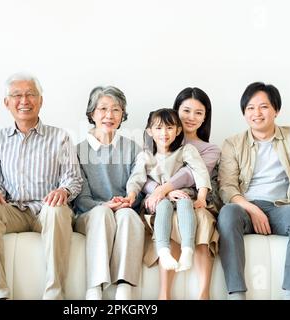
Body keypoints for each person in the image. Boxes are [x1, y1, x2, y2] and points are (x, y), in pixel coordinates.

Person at [217, 81, 290, 300]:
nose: (256, 113)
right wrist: (251, 209)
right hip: (245, 208)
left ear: (276, 110)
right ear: (244, 113)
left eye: (263, 107)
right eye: (250, 108)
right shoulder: (233, 143)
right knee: (227, 212)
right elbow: (227, 186)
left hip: (280, 209)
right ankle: (236, 295)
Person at [0, 73, 82, 300]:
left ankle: (54, 295)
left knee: (57, 209)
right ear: (7, 103)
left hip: (47, 211)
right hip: (13, 210)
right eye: (17, 95)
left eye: (31, 94)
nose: (25, 100)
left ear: (40, 100)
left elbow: (73, 178)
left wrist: (63, 190)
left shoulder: (60, 137)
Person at [141, 88, 221, 300]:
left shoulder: (210, 149)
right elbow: (144, 177)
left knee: (201, 219)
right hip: (163, 201)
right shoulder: (160, 139)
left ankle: (204, 294)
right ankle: (164, 294)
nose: (191, 117)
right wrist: (159, 194)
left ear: (205, 117)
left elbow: (191, 174)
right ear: (176, 111)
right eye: (186, 110)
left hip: (195, 201)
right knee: (170, 217)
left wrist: (164, 189)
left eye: (198, 113)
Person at [126, 108, 212, 288]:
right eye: (158, 128)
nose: (164, 133)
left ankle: (187, 250)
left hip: (183, 195)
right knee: (163, 204)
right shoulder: (145, 156)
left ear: (178, 130)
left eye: (169, 128)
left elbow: (200, 171)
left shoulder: (186, 150)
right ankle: (163, 252)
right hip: (156, 201)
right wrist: (131, 196)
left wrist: (202, 197)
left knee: (184, 201)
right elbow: (137, 179)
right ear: (149, 131)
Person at [74, 86, 145, 300]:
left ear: (122, 115)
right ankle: (95, 287)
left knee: (128, 215)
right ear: (91, 113)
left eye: (116, 109)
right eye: (103, 108)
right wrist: (105, 206)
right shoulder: (77, 151)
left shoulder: (133, 148)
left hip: (123, 209)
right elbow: (81, 197)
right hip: (90, 214)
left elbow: (137, 179)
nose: (109, 115)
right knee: (102, 214)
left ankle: (124, 286)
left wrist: (130, 197)